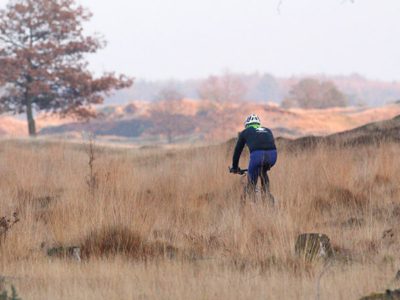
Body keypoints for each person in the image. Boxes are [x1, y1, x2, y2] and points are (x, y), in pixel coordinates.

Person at [230, 114, 277, 203]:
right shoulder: (268, 130)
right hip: (273, 156)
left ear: (247, 125)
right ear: (258, 124)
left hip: (257, 156)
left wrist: (235, 167)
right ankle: (266, 195)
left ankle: (251, 203)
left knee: (251, 180)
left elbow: (237, 151)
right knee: (262, 171)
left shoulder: (245, 132)